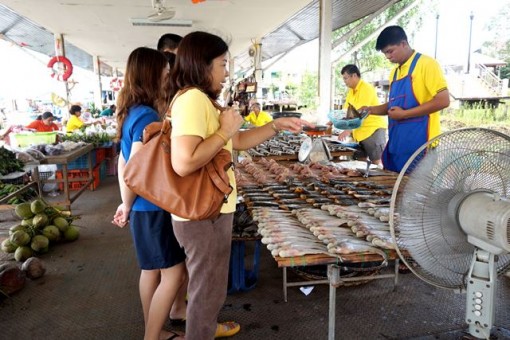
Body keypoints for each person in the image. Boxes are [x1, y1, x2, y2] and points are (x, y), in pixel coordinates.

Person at [168, 31, 312, 340]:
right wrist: (224, 132)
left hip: (213, 207)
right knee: (205, 289)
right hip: (201, 212)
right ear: (202, 65)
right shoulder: (192, 100)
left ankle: (204, 331)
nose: (226, 72)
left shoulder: (205, 101)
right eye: (222, 64)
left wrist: (274, 125)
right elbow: (183, 162)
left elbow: (239, 142)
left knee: (211, 287)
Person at [112, 47, 186, 340]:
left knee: (151, 270)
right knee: (174, 273)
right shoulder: (146, 116)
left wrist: (126, 204)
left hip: (143, 208)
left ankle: (155, 329)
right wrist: (128, 205)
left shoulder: (131, 112)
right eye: (165, 74)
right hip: (153, 207)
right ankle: (152, 336)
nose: (168, 79)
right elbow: (136, 171)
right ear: (151, 75)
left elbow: (123, 162)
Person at [366, 25, 449, 172]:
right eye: (385, 54)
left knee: (415, 194)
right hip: (398, 145)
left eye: (390, 51)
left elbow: (443, 100)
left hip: (421, 147)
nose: (388, 57)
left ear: (403, 44)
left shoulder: (427, 64)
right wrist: (370, 110)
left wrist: (404, 114)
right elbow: (392, 106)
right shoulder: (394, 73)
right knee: (393, 191)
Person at [338, 64, 387, 166]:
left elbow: (361, 113)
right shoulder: (351, 91)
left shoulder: (366, 88)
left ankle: (379, 181)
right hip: (359, 132)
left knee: (376, 161)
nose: (345, 81)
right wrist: (331, 122)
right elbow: (346, 110)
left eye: (346, 78)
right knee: (360, 162)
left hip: (372, 130)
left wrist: (348, 130)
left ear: (354, 75)